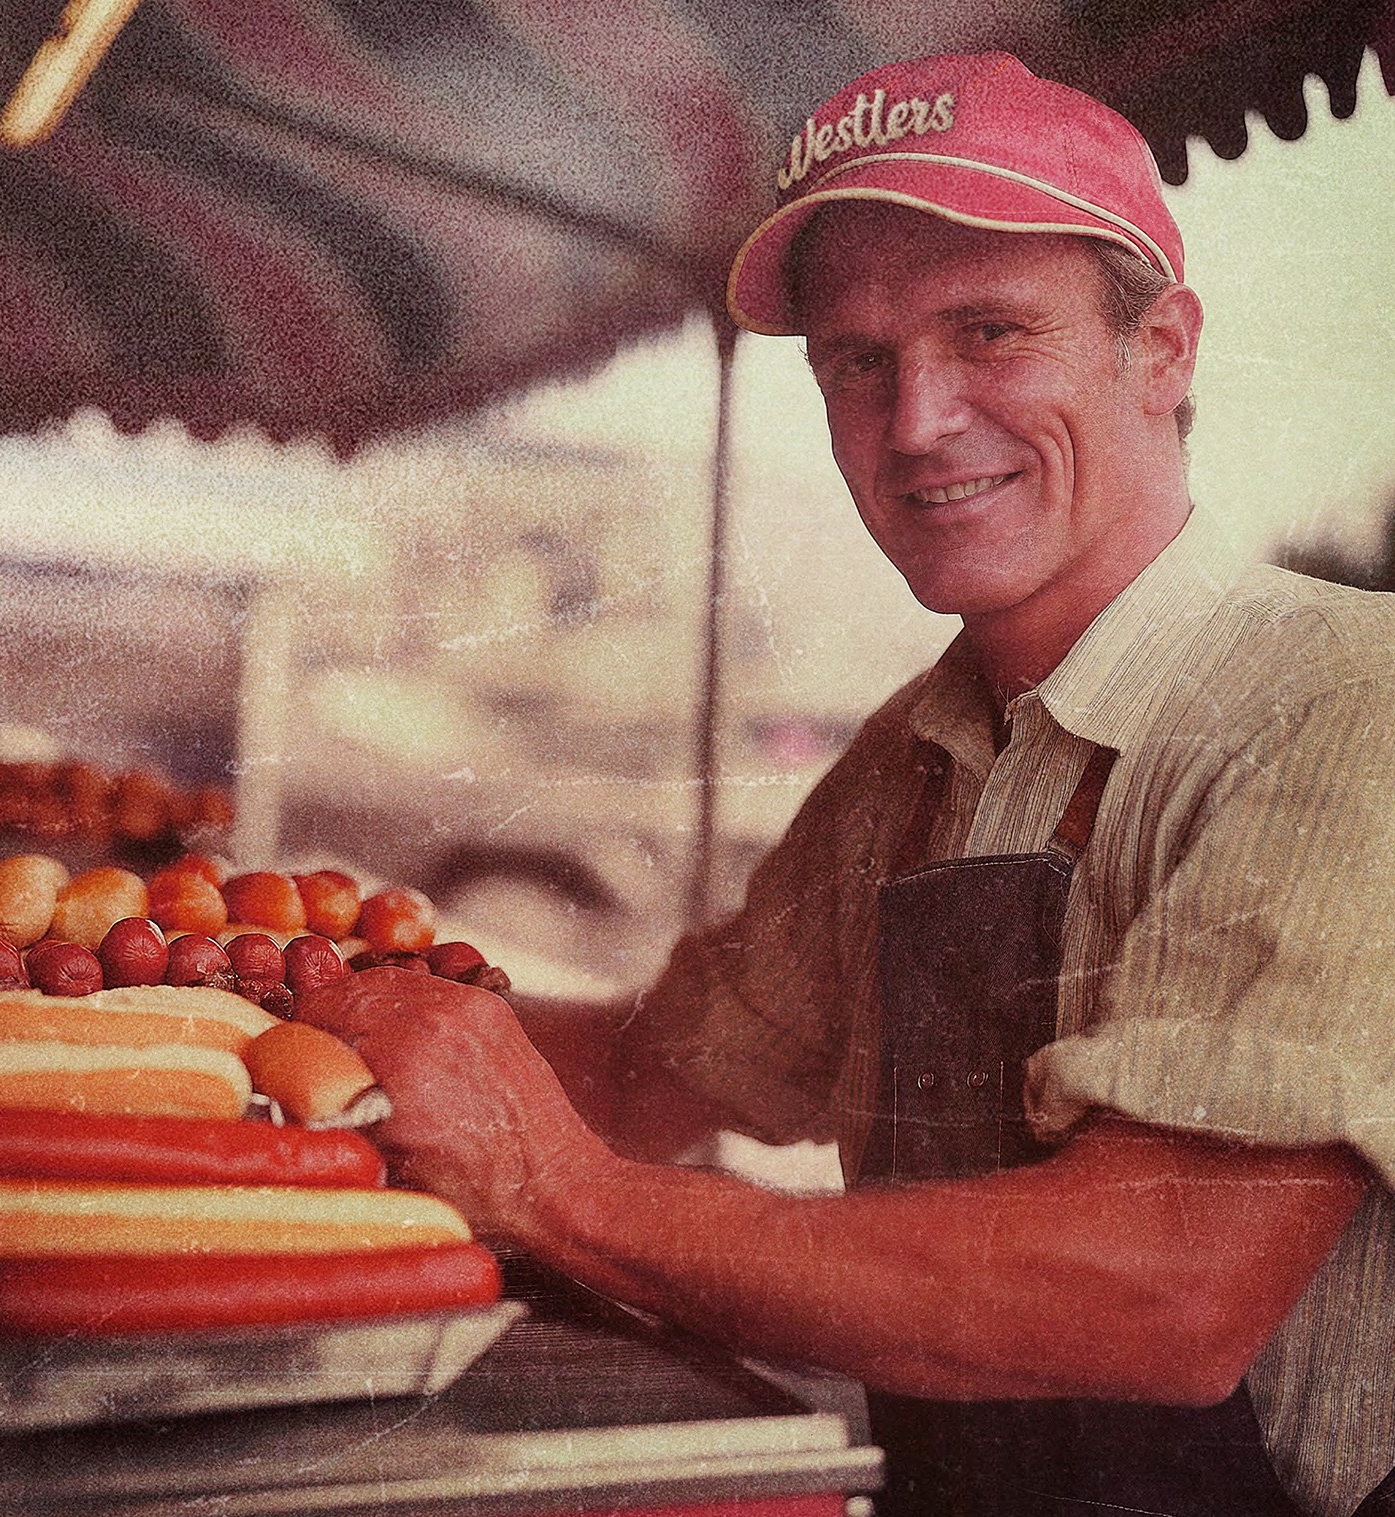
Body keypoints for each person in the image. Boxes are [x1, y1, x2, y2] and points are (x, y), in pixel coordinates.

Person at [301, 52, 1395, 1517]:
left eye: (990, 332)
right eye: (857, 360)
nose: (918, 418)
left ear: (1164, 349)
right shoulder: (912, 754)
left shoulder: (1337, 699)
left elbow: (1167, 1289)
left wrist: (558, 1189)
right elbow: (644, 1077)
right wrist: (269, 1000)